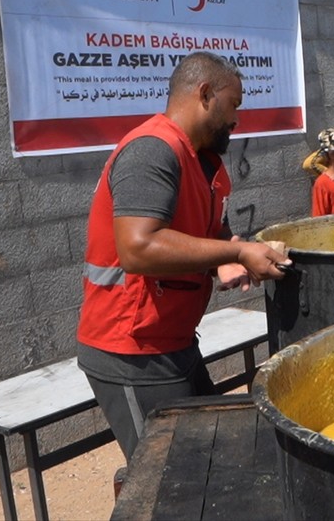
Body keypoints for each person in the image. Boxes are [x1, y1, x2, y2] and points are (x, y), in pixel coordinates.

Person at [77, 52, 289, 460]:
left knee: (206, 460)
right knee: (164, 474)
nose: (237, 119)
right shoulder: (152, 152)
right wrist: (237, 250)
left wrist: (225, 258)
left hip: (174, 342)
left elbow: (206, 234)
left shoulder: (203, 161)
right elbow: (138, 248)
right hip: (132, 349)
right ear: (205, 94)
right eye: (234, 105)